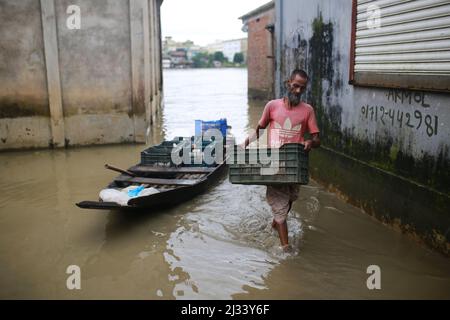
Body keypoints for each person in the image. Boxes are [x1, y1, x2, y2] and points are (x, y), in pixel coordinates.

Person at [242, 69, 320, 252]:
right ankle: (286, 249)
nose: (298, 91)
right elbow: (259, 130)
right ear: (288, 84)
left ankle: (276, 223)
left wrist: (310, 141)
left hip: (295, 167)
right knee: (280, 207)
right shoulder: (272, 106)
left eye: (302, 88)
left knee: (290, 200)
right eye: (295, 86)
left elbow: (317, 139)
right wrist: (244, 144)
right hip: (274, 166)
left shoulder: (307, 110)